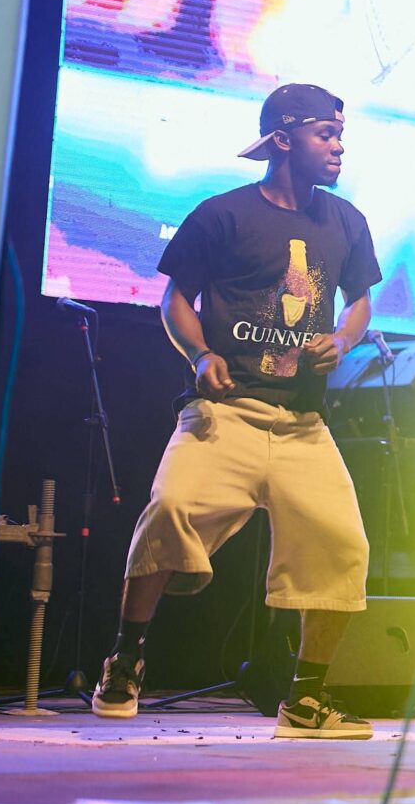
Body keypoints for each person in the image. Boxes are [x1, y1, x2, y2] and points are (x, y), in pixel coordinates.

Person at [92, 84, 380, 739]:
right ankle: (127, 659)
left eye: (340, 135)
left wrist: (342, 340)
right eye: (326, 134)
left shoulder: (346, 221)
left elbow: (360, 301)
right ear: (283, 139)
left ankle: (305, 702)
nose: (338, 147)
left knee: (342, 548)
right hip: (223, 414)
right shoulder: (222, 215)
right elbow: (175, 299)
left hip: (303, 426)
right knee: (169, 509)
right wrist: (199, 355)